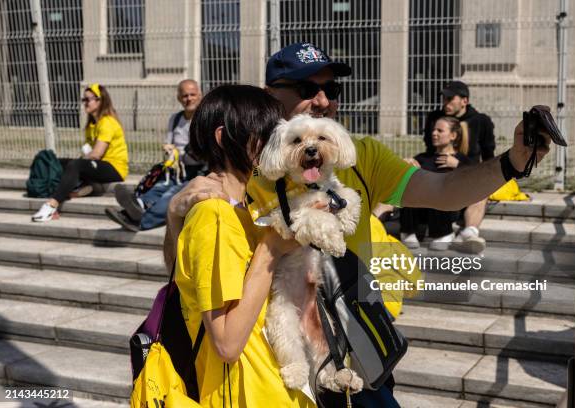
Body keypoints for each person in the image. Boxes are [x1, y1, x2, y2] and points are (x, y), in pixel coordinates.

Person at [163, 42, 552, 407]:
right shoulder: (241, 173)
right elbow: (193, 282)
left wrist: (512, 162)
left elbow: (444, 190)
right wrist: (173, 221)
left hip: (357, 352)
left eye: (332, 89)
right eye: (306, 87)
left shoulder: (359, 157)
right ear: (269, 95)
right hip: (277, 368)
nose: (323, 100)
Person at [174, 84, 315, 407]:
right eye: (265, 134)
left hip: (269, 386)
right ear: (225, 138)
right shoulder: (215, 216)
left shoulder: (248, 208)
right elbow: (226, 342)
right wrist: (271, 249)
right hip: (245, 393)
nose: (274, 143)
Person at [105, 79, 204, 231]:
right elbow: (168, 143)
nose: (189, 99)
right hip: (176, 169)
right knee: (158, 187)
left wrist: (187, 151)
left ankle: (140, 222)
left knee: (171, 195)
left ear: (200, 95)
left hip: (198, 172)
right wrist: (169, 150)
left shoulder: (205, 119)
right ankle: (136, 206)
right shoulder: (175, 119)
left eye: (192, 94)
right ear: (179, 98)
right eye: (185, 96)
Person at [32, 83, 128, 222]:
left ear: (100, 101)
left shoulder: (107, 122)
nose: (85, 103)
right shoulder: (91, 125)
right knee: (58, 163)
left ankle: (52, 205)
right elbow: (89, 152)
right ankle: (87, 186)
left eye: (88, 100)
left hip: (115, 168)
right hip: (99, 165)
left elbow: (96, 154)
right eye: (84, 100)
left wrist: (79, 162)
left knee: (75, 165)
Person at [423, 80, 495, 253]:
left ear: (465, 101)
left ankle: (469, 234)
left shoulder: (480, 121)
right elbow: (429, 149)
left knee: (482, 188)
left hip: (468, 174)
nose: (445, 103)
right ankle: (374, 222)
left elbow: (488, 155)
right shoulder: (435, 118)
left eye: (450, 99)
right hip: (438, 173)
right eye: (444, 99)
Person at [401, 116, 471, 250]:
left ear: (453, 135)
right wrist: (405, 165)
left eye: (440, 131)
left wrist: (458, 165)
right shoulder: (423, 157)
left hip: (447, 209)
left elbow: (474, 180)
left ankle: (444, 233)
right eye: (434, 130)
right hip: (420, 208)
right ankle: (408, 231)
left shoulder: (462, 160)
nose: (434, 133)